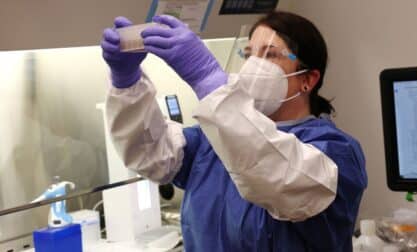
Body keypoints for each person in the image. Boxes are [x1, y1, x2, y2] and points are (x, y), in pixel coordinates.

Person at [101, 11, 367, 251]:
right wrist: (127, 82)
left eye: (270, 54)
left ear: (308, 79)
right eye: (249, 54)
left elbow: (280, 176)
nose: (253, 65)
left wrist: (207, 79)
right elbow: (151, 155)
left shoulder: (336, 152)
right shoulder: (213, 138)